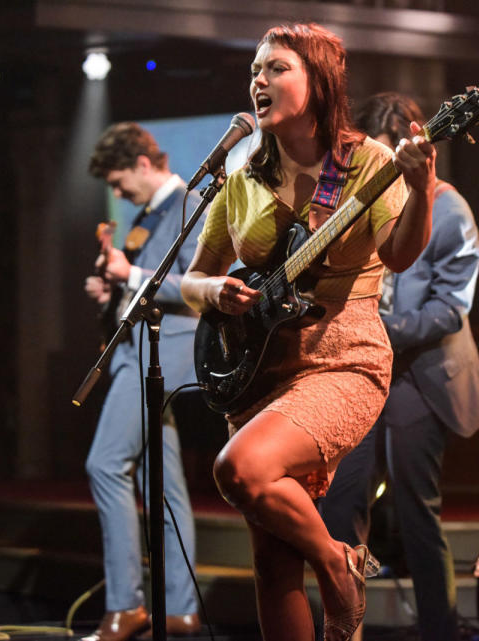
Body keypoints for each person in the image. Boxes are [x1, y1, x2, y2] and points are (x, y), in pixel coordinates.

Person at [180, 22, 437, 641]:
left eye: (275, 69)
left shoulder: (366, 164)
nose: (258, 82)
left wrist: (422, 183)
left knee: (239, 470)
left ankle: (338, 563)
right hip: (258, 373)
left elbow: (401, 255)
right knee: (272, 566)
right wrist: (215, 292)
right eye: (254, 72)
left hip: (342, 361)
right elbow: (192, 280)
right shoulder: (241, 179)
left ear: (317, 82)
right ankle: (337, 561)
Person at [319, 93, 479, 641]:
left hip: (419, 375)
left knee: (419, 513)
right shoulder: (358, 204)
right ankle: (350, 625)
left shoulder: (449, 206)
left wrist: (377, 332)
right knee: (343, 509)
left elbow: (450, 309)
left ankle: (440, 628)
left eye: (389, 154)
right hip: (362, 377)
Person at [82, 123, 202, 640]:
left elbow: (200, 287)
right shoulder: (145, 217)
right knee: (164, 485)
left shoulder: (192, 205)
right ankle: (180, 608)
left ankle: (126, 603)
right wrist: (110, 286)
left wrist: (127, 276)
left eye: (118, 182)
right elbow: (138, 283)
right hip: (138, 350)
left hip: (166, 355)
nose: (116, 194)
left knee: (106, 464)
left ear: (143, 164)